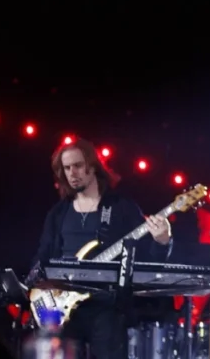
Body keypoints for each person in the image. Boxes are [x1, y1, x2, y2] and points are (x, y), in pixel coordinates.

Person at [27, 138, 174, 359]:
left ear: (93, 166)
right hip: (65, 309)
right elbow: (43, 256)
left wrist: (162, 241)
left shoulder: (121, 207)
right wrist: (39, 288)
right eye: (67, 168)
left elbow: (147, 259)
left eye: (78, 165)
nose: (72, 173)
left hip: (107, 308)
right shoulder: (58, 213)